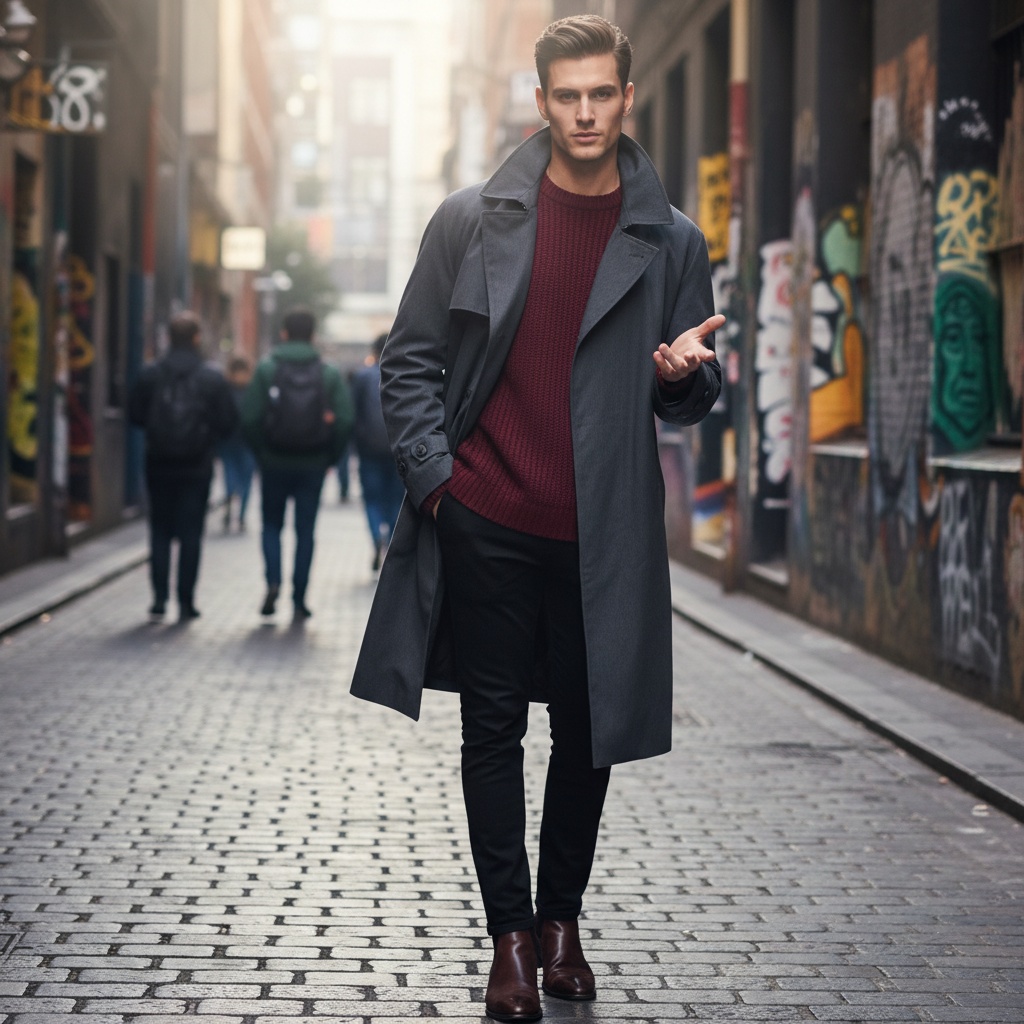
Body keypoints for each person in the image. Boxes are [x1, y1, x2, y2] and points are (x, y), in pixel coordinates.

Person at [351, 14, 723, 1022]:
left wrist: (687, 378)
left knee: (591, 733)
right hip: (488, 519)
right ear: (542, 100)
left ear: (626, 98)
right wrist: (440, 484)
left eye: (602, 93)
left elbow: (689, 388)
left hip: (603, 531)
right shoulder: (472, 220)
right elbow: (410, 358)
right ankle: (511, 937)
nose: (586, 112)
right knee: (494, 728)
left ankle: (562, 918)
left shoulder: (670, 239)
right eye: (568, 96)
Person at [242, 306, 353, 621]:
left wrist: (262, 453)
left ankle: (273, 581)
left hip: (274, 461)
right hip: (313, 463)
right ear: (314, 336)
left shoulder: (266, 369)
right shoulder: (328, 373)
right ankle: (300, 597)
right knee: (306, 531)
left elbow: (249, 418)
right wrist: (330, 456)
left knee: (271, 525)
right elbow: (345, 420)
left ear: (284, 333)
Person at [128, 311, 237, 622]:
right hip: (197, 467)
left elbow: (134, 414)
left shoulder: (151, 374)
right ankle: (186, 602)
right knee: (191, 534)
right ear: (197, 338)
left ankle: (159, 599)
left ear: (168, 338)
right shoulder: (211, 378)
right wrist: (207, 438)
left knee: (159, 531)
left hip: (158, 465)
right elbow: (229, 422)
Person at [350, 333, 406, 571]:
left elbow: (352, 414)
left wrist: (355, 443)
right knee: (396, 500)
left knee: (372, 499)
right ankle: (390, 544)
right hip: (398, 449)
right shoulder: (404, 375)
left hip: (369, 450)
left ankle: (376, 536)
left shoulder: (363, 377)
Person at [218, 354, 257, 532]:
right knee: (246, 477)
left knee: (229, 471)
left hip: (227, 438)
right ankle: (241, 514)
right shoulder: (253, 389)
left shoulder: (224, 389)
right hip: (248, 440)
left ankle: (229, 496)